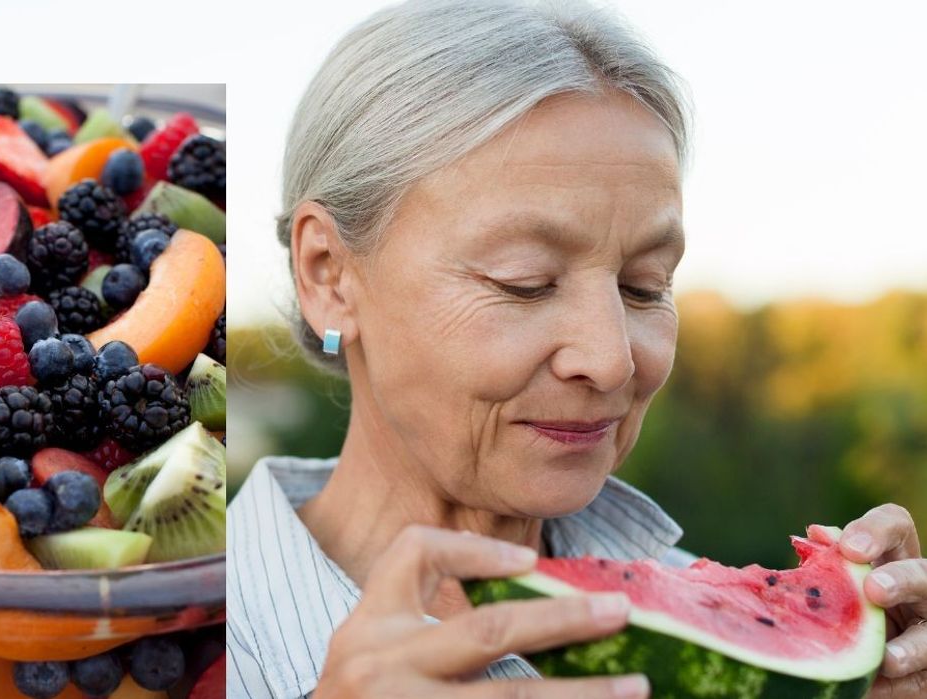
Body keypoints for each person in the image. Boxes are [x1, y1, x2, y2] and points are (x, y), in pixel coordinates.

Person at [226, 0, 927, 697]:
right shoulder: (185, 638)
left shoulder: (718, 640)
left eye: (644, 286)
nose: (612, 359)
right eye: (524, 282)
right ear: (328, 274)